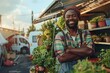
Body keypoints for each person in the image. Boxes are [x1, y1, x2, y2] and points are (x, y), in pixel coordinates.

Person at [54, 6, 95, 73]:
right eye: (68, 16)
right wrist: (82, 50)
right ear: (64, 19)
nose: (71, 18)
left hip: (84, 70)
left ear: (78, 18)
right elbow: (61, 58)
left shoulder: (85, 33)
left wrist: (69, 50)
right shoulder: (60, 35)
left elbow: (90, 51)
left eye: (74, 16)